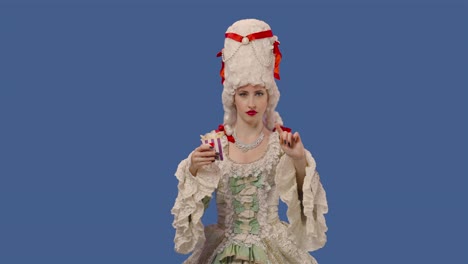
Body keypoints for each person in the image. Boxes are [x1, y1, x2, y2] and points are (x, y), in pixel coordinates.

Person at [171, 18, 328, 264]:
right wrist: (192, 168)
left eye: (259, 93)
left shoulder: (281, 143)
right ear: (233, 98)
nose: (252, 103)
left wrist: (298, 159)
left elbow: (302, 200)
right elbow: (193, 209)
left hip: (272, 247)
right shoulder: (216, 145)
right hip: (224, 250)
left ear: (269, 96)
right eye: (243, 94)